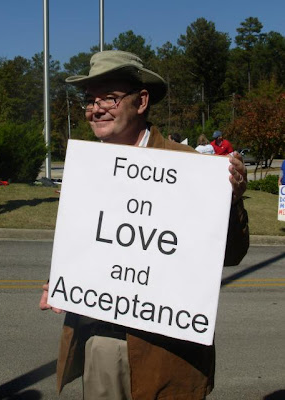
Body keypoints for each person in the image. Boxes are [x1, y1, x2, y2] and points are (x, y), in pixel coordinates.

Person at [39, 50, 249, 400]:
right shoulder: (89, 169)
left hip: (165, 348)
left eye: (109, 97)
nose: (96, 108)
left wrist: (231, 201)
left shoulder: (190, 168)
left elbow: (230, 256)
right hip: (101, 339)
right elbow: (94, 248)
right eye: (90, 100)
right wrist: (65, 282)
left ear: (141, 102)